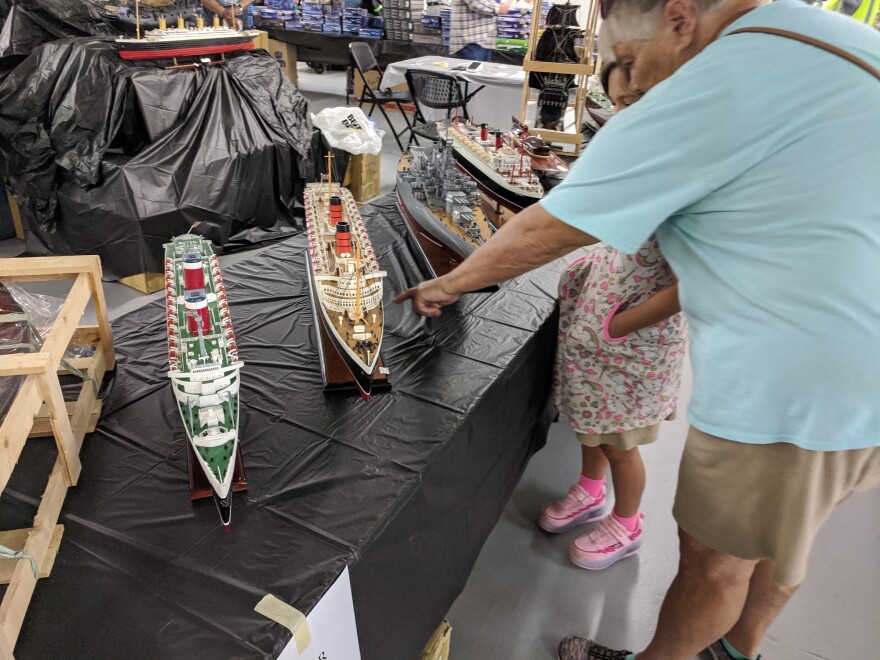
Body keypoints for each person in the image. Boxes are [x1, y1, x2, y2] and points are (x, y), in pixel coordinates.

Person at [395, 0, 880, 657]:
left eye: (623, 62)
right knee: (788, 537)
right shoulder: (830, 37)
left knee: (715, 559)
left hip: (796, 385)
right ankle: (733, 651)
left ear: (678, 20)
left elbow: (549, 227)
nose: (625, 87)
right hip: (856, 374)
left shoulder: (711, 82)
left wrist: (449, 283)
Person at [539, 62, 687, 573]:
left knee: (621, 440)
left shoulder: (690, 176)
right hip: (604, 317)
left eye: (634, 101)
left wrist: (621, 324)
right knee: (592, 425)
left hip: (634, 337)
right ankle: (589, 488)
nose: (624, 114)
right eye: (618, 104)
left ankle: (627, 522)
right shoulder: (642, 159)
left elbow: (695, 278)